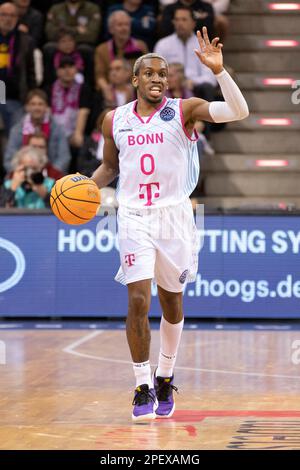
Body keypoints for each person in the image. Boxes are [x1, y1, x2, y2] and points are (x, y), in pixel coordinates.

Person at [91, 27, 249, 421]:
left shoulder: (185, 110)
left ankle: (165, 374)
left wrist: (219, 71)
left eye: (163, 73)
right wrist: (82, 189)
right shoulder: (114, 119)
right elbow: (110, 167)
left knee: (171, 302)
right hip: (133, 217)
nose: (158, 78)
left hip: (175, 216)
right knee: (137, 300)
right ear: (135, 79)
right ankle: (142, 386)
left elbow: (239, 111)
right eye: (150, 73)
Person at [4, 89, 71, 174]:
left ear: (46, 107)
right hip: (23, 175)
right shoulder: (16, 130)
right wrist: (23, 174)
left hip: (52, 177)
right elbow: (8, 160)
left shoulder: (58, 129)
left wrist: (50, 176)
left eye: (40, 104)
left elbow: (64, 157)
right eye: (33, 104)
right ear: (27, 107)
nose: (37, 108)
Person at [0, 2, 36, 134]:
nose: (7, 19)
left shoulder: (26, 41)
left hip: (14, 96)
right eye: (3, 15)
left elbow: (31, 73)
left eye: (12, 15)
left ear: (17, 18)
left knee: (15, 136)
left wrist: (30, 98)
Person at [94, 10, 148, 91]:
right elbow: (100, 76)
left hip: (135, 91)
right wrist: (106, 90)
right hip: (110, 91)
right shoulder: (102, 49)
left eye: (127, 25)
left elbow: (146, 73)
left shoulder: (140, 46)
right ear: (111, 29)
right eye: (120, 25)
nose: (124, 28)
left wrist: (131, 89)